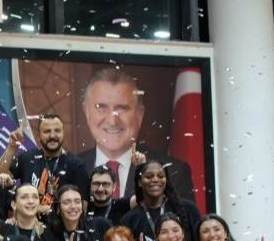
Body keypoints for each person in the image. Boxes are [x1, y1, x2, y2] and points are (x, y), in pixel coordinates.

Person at [77, 67, 195, 202]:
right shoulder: (68, 170)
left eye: (122, 108)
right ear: (86, 112)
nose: (112, 121)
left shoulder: (172, 173)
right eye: (101, 107)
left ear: (139, 114)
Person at [0, 115, 88, 212]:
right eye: (47, 131)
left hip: (58, 222)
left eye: (57, 131)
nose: (52, 136)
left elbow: (82, 209)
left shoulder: (76, 165)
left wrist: (37, 209)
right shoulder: (27, 158)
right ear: (38, 135)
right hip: (27, 221)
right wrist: (12, 147)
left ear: (63, 133)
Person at [120, 160, 200, 241]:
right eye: (149, 176)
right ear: (139, 182)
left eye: (161, 176)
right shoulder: (130, 219)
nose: (155, 179)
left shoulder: (187, 208)